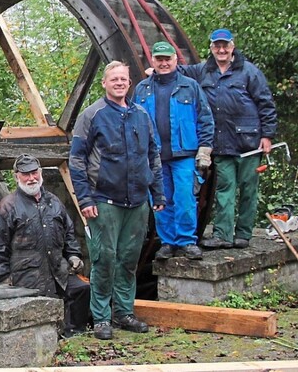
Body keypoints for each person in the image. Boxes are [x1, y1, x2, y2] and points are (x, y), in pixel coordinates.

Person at [68, 60, 166, 340]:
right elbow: (76, 160)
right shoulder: (92, 115)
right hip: (104, 201)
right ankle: (101, 318)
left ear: (129, 82)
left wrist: (157, 193)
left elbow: (153, 156)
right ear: (104, 83)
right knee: (104, 259)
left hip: (137, 201)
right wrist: (85, 198)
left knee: (128, 260)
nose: (120, 83)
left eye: (123, 79)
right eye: (114, 79)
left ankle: (124, 313)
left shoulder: (141, 115)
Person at [180, 29, 277, 250]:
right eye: (217, 46)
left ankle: (243, 234)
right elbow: (178, 71)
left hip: (249, 143)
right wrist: (155, 69)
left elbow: (266, 103)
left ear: (232, 47)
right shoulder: (204, 71)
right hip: (221, 143)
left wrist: (267, 136)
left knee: (248, 190)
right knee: (224, 190)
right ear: (212, 48)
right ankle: (223, 235)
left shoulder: (248, 72)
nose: (221, 50)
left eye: (225, 46)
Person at [0, 154, 90, 337]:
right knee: (39, 303)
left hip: (58, 271)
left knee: (82, 289)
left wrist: (74, 257)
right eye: (26, 174)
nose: (31, 178)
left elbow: (69, 236)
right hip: (26, 275)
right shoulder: (7, 207)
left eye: (34, 173)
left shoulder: (54, 202)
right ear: (16, 176)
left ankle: (74, 334)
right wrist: (4, 279)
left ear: (41, 173)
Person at [134, 41, 215, 261]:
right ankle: (168, 242)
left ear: (175, 60)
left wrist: (204, 151)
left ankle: (187, 241)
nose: (163, 63)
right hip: (156, 157)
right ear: (153, 61)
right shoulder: (142, 89)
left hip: (184, 156)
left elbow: (205, 120)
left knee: (185, 199)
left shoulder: (190, 86)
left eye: (167, 59)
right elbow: (133, 124)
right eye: (159, 59)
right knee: (160, 201)